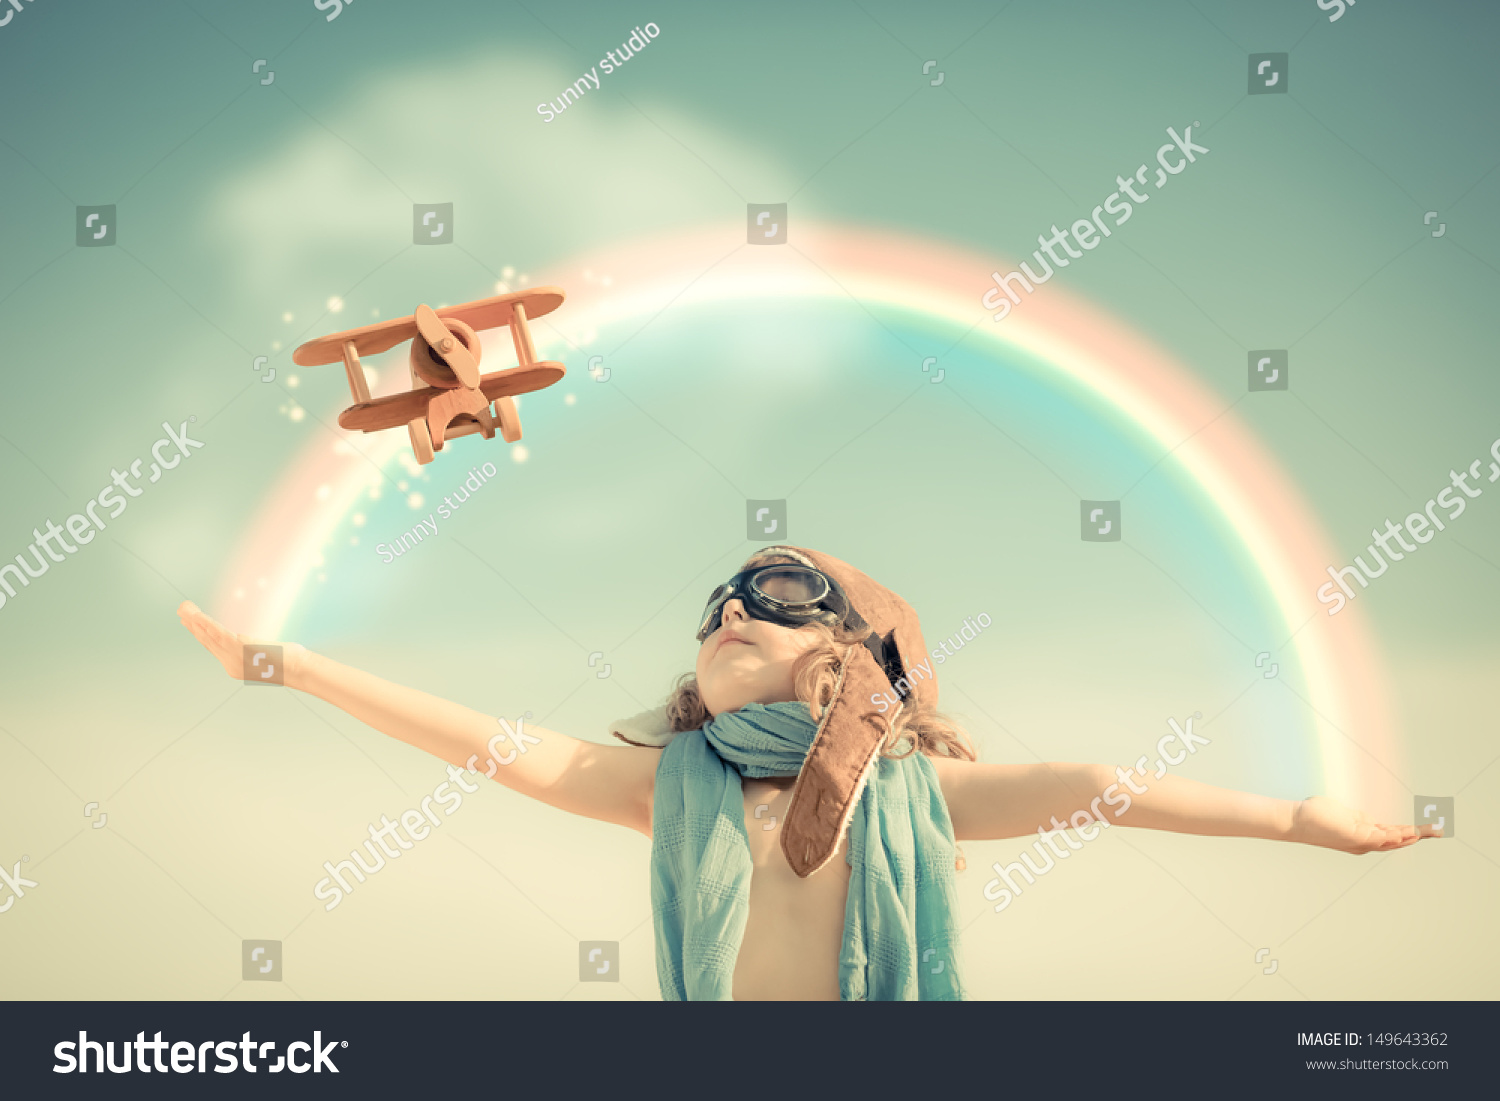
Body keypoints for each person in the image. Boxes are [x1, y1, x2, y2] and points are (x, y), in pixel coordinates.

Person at [176, 543, 1438, 1001]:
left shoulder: (907, 796)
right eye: (716, 606)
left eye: (772, 600)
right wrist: (292, 669)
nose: (730, 610)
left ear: (852, 652)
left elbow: (1095, 785)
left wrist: (1297, 816)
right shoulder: (672, 787)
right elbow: (489, 743)